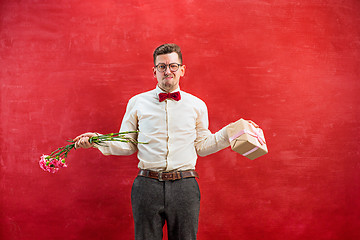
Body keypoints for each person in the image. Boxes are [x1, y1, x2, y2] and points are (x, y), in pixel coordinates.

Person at [74, 43, 258, 240]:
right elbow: (127, 144)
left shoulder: (197, 105)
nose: (167, 71)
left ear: (182, 70)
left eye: (173, 66)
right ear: (154, 71)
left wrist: (232, 131)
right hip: (146, 186)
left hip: (185, 186)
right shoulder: (137, 102)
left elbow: (203, 146)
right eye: (162, 66)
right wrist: (96, 140)